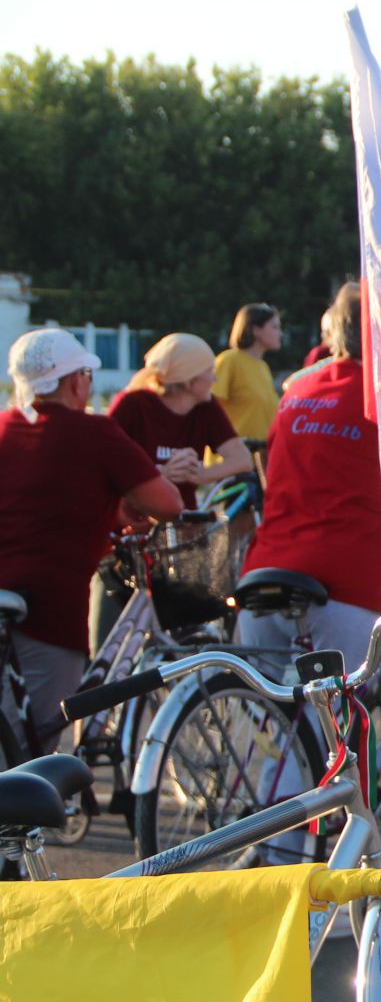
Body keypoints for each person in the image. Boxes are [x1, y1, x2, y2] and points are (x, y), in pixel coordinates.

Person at [0, 330, 181, 742]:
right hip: (47, 610)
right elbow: (168, 504)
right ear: (75, 381)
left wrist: (110, 505)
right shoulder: (94, 434)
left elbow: (38, 489)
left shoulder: (5, 426)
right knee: (40, 750)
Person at [238, 281, 381, 672]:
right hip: (344, 583)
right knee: (339, 725)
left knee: (273, 724)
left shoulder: (298, 389)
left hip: (264, 574)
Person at [108, 333, 251, 508]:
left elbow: (243, 459)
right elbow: (102, 462)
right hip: (135, 516)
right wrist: (159, 475)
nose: (215, 378)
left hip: (183, 517)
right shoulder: (132, 404)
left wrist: (201, 473)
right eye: (209, 371)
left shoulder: (206, 407)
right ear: (189, 381)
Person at [212, 302, 283, 442]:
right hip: (232, 458)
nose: (280, 333)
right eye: (274, 327)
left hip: (260, 458)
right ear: (256, 330)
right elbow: (208, 409)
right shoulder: (229, 360)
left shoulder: (263, 367)